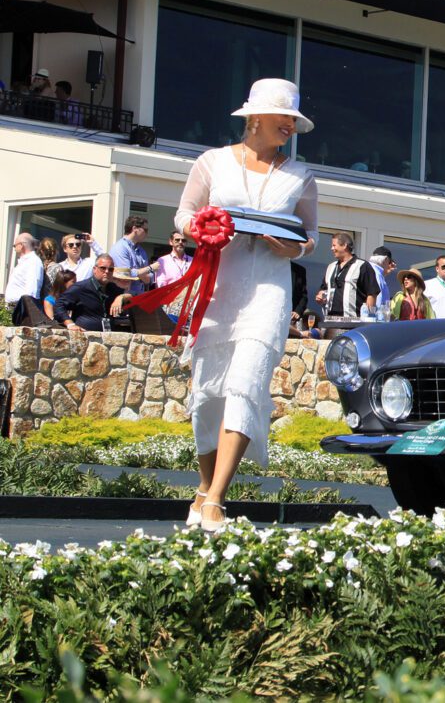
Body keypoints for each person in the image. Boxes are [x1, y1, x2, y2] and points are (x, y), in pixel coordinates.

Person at [174, 77, 318, 533]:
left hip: (269, 292)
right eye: (284, 117)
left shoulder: (301, 176)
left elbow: (311, 236)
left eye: (293, 120)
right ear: (255, 117)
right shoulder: (212, 162)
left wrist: (294, 248)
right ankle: (204, 488)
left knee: (245, 385)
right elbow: (183, 214)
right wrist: (202, 227)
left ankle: (217, 498)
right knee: (208, 394)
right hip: (219, 287)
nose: (290, 126)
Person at [54, 254, 132, 331]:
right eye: (103, 268)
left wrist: (121, 297)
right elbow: (59, 305)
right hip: (85, 335)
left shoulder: (113, 288)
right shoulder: (81, 288)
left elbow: (135, 296)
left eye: (110, 269)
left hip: (108, 336)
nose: (107, 271)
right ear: (94, 269)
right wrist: (70, 324)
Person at [315, 232, 378, 318]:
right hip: (330, 319)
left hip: (353, 320)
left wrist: (368, 317)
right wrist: (320, 296)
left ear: (344, 245)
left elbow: (372, 293)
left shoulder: (362, 266)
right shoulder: (331, 267)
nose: (332, 248)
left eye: (334, 245)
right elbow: (324, 288)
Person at [5, 232, 46, 324]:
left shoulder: (33, 261)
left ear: (21, 245)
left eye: (14, 246)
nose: (14, 248)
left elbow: (32, 290)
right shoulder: (24, 262)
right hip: (15, 308)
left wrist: (25, 312)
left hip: (22, 310)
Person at [110, 215, 154, 295]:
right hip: (122, 296)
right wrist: (148, 269)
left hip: (139, 296)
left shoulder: (141, 251)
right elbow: (124, 275)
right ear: (135, 229)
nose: (147, 233)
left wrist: (137, 273)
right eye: (145, 230)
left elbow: (149, 278)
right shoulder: (120, 247)